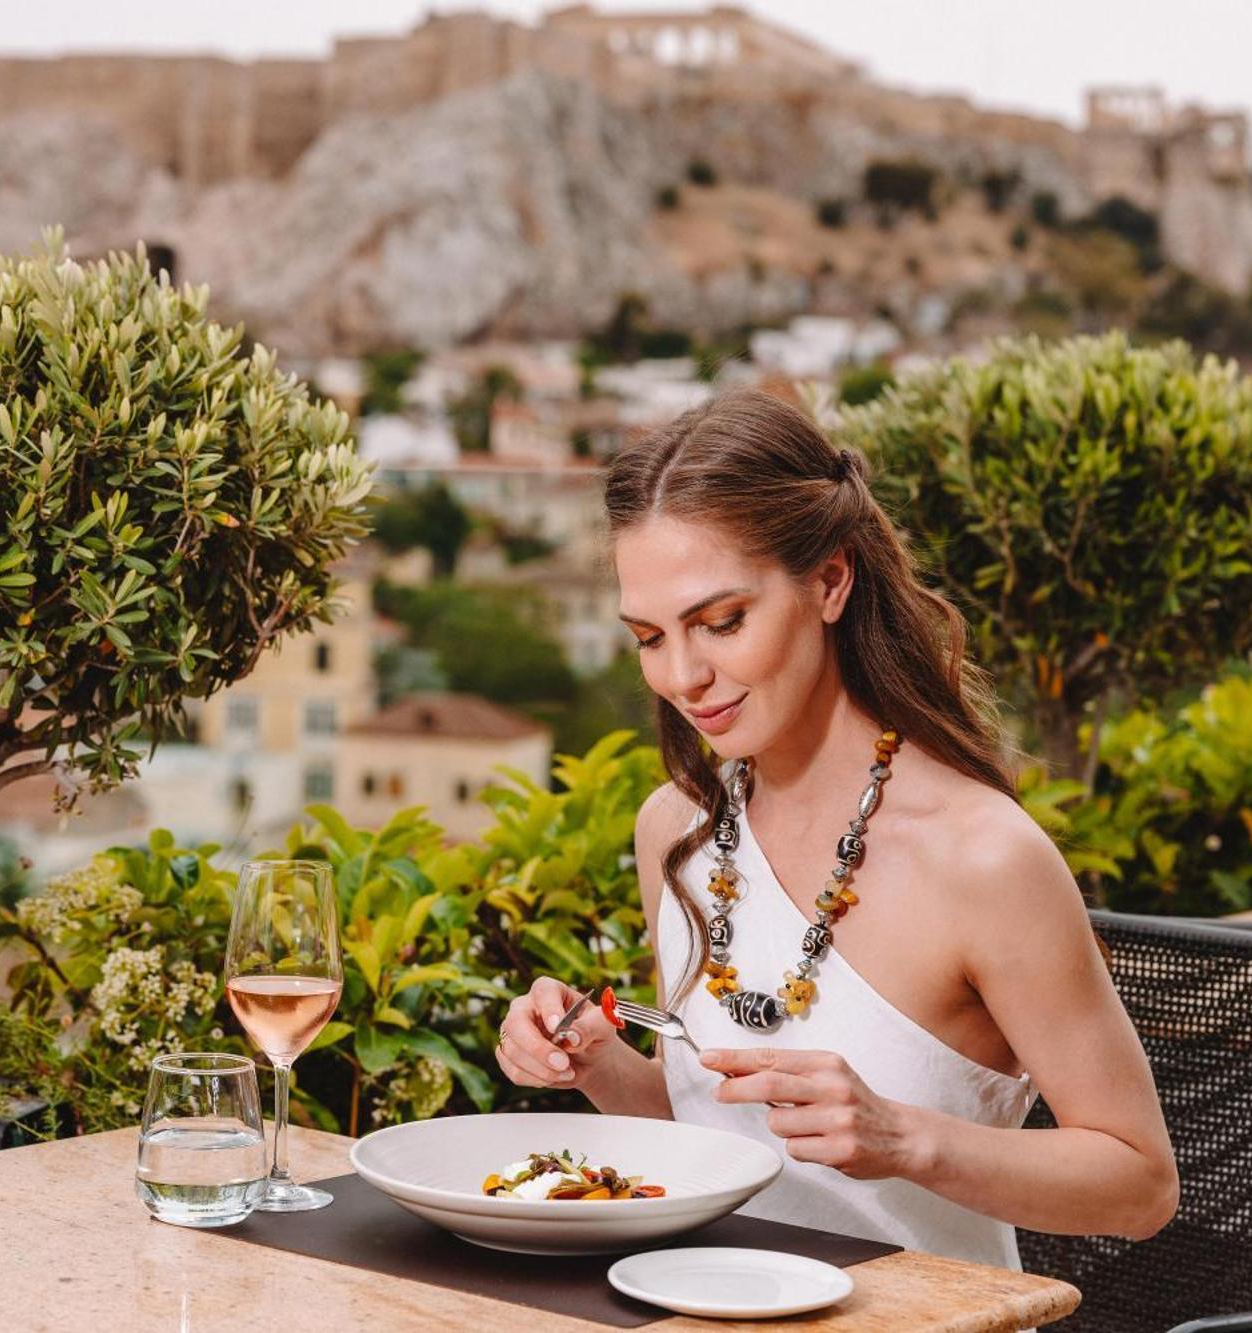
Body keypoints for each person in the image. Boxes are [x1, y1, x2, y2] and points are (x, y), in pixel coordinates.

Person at [493, 388, 1177, 1266]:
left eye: (722, 621)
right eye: (649, 636)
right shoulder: (676, 829)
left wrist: (905, 1139)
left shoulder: (984, 857)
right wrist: (594, 1063)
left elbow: (1141, 1184)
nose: (682, 675)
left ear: (830, 581)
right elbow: (716, 1137)